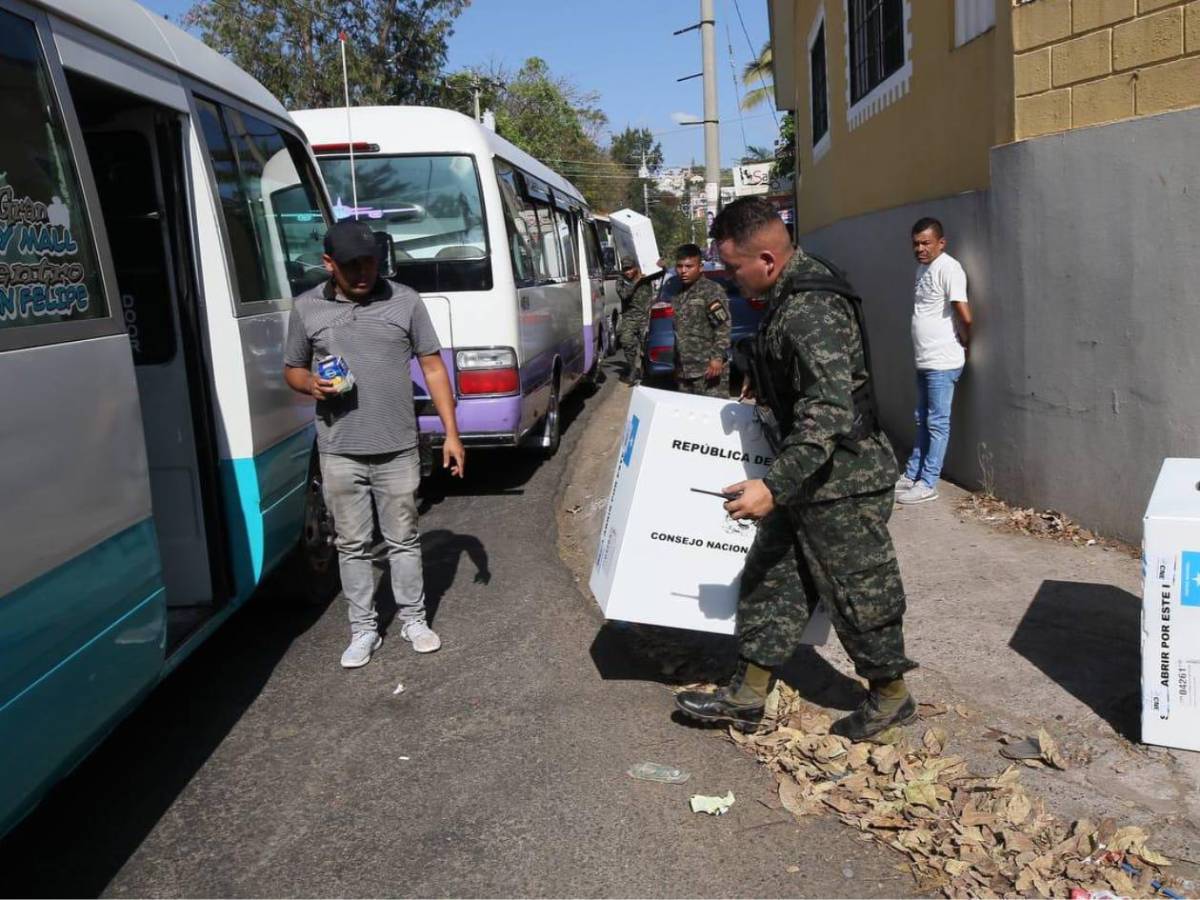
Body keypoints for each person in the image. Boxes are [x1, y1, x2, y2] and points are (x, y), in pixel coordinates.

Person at [675, 197, 917, 741]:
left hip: (843, 481)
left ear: (766, 258)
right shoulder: (791, 291)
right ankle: (748, 693)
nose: (730, 279)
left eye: (734, 267)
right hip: (808, 476)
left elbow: (829, 413)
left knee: (858, 593)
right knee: (771, 579)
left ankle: (891, 696)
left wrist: (772, 486)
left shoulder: (809, 308)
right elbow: (804, 376)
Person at [284, 220, 465, 669]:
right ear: (329, 264)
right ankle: (363, 630)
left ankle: (413, 619)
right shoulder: (307, 309)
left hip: (398, 445)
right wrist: (312, 385)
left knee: (403, 538)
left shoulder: (405, 301)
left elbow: (434, 367)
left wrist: (452, 434)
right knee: (352, 543)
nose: (363, 273)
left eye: (370, 262)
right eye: (351, 266)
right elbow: (291, 369)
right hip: (339, 448)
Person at [896, 217, 972, 505]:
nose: (920, 248)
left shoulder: (949, 268)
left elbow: (964, 313)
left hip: (943, 361)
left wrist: (967, 341)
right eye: (915, 243)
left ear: (941, 242)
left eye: (926, 243)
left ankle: (928, 482)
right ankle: (913, 474)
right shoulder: (922, 268)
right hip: (925, 360)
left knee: (937, 423)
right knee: (923, 420)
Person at [671, 243, 730, 397]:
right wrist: (676, 365)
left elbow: (723, 327)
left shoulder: (711, 290)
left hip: (707, 371)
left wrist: (717, 358)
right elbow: (678, 332)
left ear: (700, 267)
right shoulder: (678, 295)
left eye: (689, 266)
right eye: (680, 266)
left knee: (712, 416)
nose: (683, 271)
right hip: (685, 372)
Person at [616, 259, 655, 385]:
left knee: (646, 344)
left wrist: (662, 265)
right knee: (626, 341)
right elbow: (624, 295)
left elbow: (661, 273)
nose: (628, 272)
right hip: (629, 317)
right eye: (625, 269)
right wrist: (636, 281)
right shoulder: (621, 280)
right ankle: (633, 368)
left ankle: (645, 369)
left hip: (645, 316)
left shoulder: (646, 275)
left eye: (630, 268)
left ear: (636, 267)